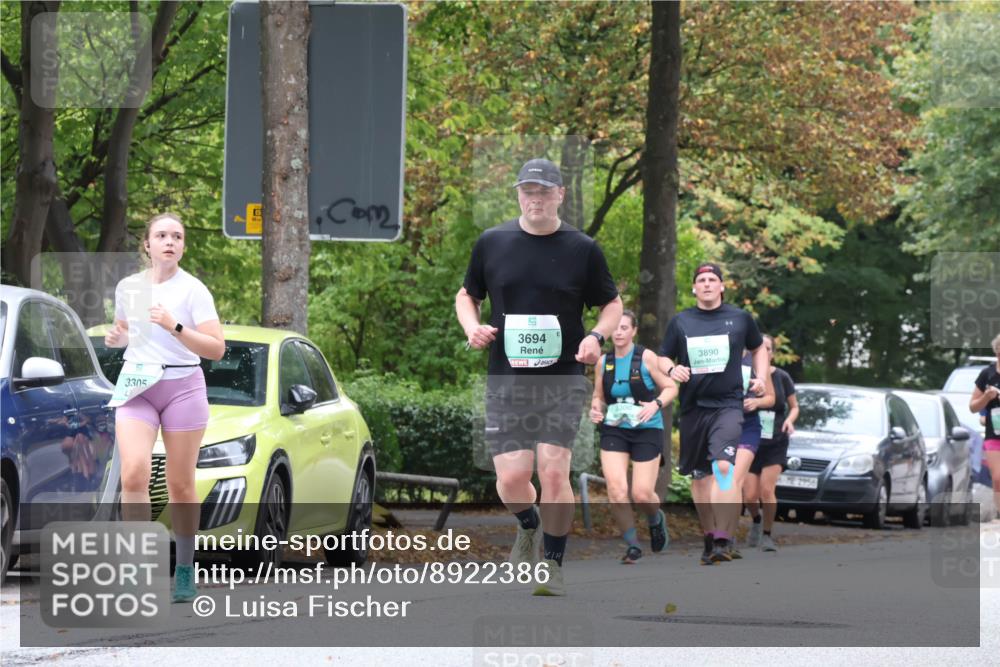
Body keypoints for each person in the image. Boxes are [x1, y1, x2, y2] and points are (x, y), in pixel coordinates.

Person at [456, 158, 622, 596]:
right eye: (528, 191)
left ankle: (552, 564)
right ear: (518, 195)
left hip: (562, 377)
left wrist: (596, 336)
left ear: (560, 195)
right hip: (506, 379)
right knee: (512, 478)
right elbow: (467, 295)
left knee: (552, 470)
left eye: (545, 191)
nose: (536, 199)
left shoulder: (582, 248)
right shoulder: (492, 242)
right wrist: (472, 328)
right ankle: (528, 524)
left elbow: (611, 303)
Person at [105, 212, 225, 603]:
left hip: (182, 388)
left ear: (183, 246)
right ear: (148, 244)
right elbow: (127, 331)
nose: (169, 241)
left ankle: (185, 568)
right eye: (161, 235)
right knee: (134, 474)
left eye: (177, 236)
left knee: (180, 483)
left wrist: (175, 326)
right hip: (137, 386)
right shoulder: (128, 287)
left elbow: (216, 349)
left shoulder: (194, 291)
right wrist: (118, 338)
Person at [657, 263, 768, 565]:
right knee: (700, 477)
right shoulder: (681, 321)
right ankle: (709, 536)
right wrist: (672, 369)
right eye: (701, 280)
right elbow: (663, 356)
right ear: (694, 288)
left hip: (728, 405)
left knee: (723, 466)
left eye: (712, 279)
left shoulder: (740, 318)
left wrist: (760, 378)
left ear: (722, 286)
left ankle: (722, 538)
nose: (707, 284)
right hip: (693, 408)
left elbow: (759, 348)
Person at [589, 311, 677, 564]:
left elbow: (671, 387)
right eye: (615, 328)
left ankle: (655, 519)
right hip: (615, 428)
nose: (618, 332)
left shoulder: (646, 357)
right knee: (616, 490)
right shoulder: (603, 361)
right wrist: (595, 408)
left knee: (641, 494)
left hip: (647, 428)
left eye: (624, 327)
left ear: (634, 331)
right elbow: (598, 396)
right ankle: (633, 546)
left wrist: (655, 404)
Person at [717, 349, 774, 560]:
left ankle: (727, 537)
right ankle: (722, 533)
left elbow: (771, 398)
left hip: (748, 426)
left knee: (734, 480)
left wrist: (757, 402)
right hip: (721, 424)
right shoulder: (718, 354)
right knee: (722, 480)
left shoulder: (757, 360)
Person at [743, 334, 798, 552]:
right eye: (759, 348)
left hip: (775, 440)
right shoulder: (746, 374)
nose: (763, 352)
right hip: (750, 439)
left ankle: (767, 534)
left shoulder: (782, 377)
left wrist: (790, 420)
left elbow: (794, 407)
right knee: (749, 495)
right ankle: (756, 520)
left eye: (767, 348)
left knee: (767, 490)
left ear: (772, 354)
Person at [970, 333, 1000, 517]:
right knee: (997, 478)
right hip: (994, 434)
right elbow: (973, 407)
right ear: (997, 350)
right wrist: (986, 397)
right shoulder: (987, 374)